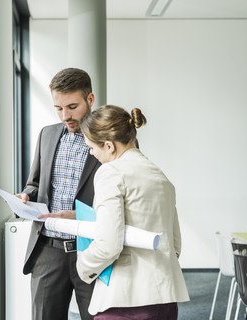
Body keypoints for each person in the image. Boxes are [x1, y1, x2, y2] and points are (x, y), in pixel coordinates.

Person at [76, 105, 190, 319]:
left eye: (91, 148)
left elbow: (108, 245)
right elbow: (174, 245)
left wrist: (83, 264)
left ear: (109, 146)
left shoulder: (110, 172)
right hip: (165, 299)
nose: (92, 154)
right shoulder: (160, 176)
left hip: (125, 300)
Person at [16, 68, 101, 320]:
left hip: (93, 250)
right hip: (48, 250)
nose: (66, 115)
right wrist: (26, 196)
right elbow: (34, 184)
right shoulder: (47, 134)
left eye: (72, 106)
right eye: (59, 108)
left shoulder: (111, 138)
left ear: (90, 99)